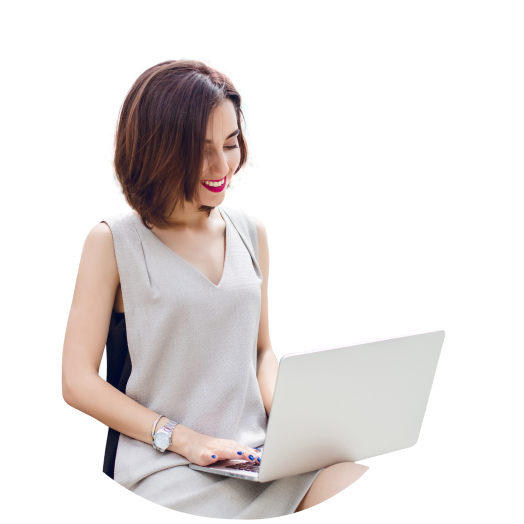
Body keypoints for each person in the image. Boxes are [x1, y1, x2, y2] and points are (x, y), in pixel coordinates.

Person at [61, 57, 370, 519]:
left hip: (258, 458)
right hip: (167, 466)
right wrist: (182, 438)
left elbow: (262, 351)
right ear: (158, 148)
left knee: (352, 474)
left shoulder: (252, 233)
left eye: (230, 144)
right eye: (201, 149)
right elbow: (77, 381)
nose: (221, 165)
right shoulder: (113, 242)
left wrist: (299, 425)